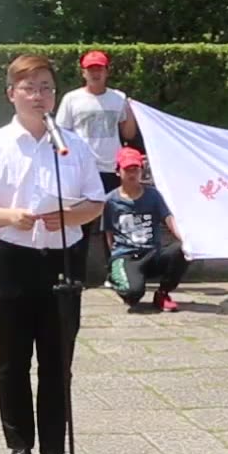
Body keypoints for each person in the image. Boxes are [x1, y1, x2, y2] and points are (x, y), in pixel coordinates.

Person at [0, 53, 105, 454]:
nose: (39, 96)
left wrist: (72, 215)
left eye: (46, 87)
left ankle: (55, 452)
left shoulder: (73, 146)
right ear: (11, 95)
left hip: (63, 260)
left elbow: (96, 202)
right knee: (14, 359)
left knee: (58, 361)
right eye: (29, 88)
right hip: (12, 260)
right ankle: (19, 448)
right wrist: (9, 216)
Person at [53, 48, 137, 282]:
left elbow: (128, 133)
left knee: (115, 224)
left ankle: (116, 274)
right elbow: (61, 134)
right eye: (91, 69)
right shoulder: (72, 99)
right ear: (83, 72)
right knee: (81, 224)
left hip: (111, 169)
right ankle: (76, 276)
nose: (95, 73)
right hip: (83, 170)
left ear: (106, 71)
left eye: (99, 69)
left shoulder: (118, 98)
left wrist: (130, 112)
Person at [103, 147, 190, 313]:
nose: (132, 174)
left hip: (152, 254)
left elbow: (168, 219)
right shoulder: (110, 201)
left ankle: (163, 293)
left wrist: (184, 238)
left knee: (184, 249)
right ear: (117, 172)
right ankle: (118, 278)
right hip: (127, 255)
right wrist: (113, 260)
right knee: (133, 295)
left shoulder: (153, 195)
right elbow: (108, 233)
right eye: (127, 169)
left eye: (136, 169)